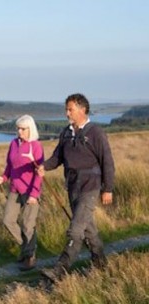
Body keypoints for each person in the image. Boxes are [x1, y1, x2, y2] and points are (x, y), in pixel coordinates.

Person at [38, 93, 115, 281]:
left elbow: (107, 161)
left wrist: (108, 188)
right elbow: (57, 158)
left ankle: (60, 271)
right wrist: (44, 167)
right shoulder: (66, 133)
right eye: (66, 109)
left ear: (82, 109)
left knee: (75, 230)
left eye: (70, 109)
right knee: (89, 230)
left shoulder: (95, 132)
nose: (67, 113)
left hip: (91, 186)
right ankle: (100, 264)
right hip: (72, 186)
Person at [0, 114, 44, 271]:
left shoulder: (36, 146)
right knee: (8, 220)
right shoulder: (14, 144)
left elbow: (39, 172)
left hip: (31, 191)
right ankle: (26, 248)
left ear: (30, 129)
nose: (19, 132)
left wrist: (34, 194)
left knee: (28, 225)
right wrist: (3, 178)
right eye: (18, 128)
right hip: (14, 189)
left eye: (23, 129)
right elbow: (10, 165)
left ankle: (30, 257)